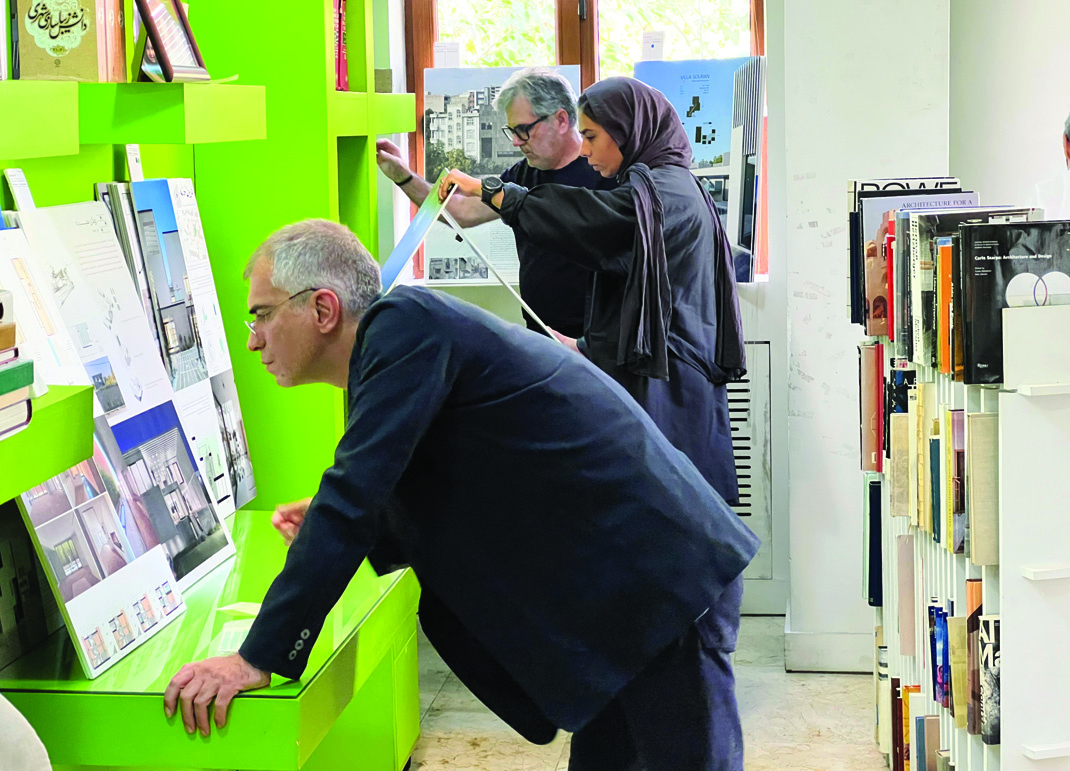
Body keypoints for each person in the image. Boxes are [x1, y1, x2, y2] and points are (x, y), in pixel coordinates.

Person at [162, 219, 759, 771]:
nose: (254, 340)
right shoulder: (395, 344)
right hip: (623, 597)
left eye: (262, 315)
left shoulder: (404, 327)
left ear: (322, 308)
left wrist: (255, 658)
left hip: (660, 582)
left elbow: (354, 494)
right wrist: (342, 519)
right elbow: (410, 482)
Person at [441, 77, 747, 505]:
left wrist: (499, 196)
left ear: (628, 130)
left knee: (669, 522)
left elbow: (595, 222)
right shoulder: (658, 185)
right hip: (661, 378)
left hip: (669, 386)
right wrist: (588, 346)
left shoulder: (660, 194)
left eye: (591, 137)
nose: (585, 150)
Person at [376, 67, 617, 338]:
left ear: (561, 119)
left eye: (524, 130)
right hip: (541, 333)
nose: (516, 142)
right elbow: (462, 211)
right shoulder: (521, 174)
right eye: (511, 131)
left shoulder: (605, 171)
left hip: (598, 340)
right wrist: (404, 177)